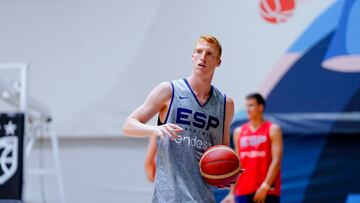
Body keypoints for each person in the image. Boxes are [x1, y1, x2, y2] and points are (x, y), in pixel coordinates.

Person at [122, 35, 234, 203]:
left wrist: (229, 170)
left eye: (209, 54)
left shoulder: (225, 104)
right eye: (199, 51)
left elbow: (222, 149)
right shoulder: (169, 91)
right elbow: (128, 125)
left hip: (203, 197)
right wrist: (155, 129)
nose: (203, 57)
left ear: (218, 62)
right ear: (193, 57)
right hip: (170, 197)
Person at [222, 93, 283, 203]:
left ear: (260, 107)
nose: (248, 109)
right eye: (246, 106)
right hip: (243, 190)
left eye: (251, 105)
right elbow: (237, 164)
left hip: (267, 190)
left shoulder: (273, 129)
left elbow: (277, 160)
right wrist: (231, 193)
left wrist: (266, 185)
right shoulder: (238, 132)